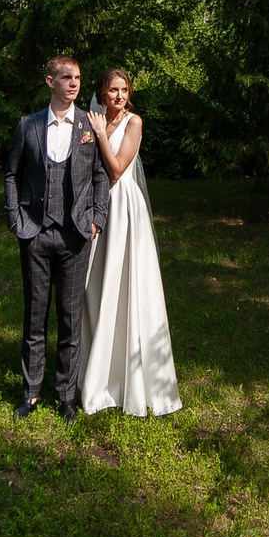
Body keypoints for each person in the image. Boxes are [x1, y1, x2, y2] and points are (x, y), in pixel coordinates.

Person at [4, 54, 110, 420]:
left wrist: (97, 218)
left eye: (78, 77)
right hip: (34, 233)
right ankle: (30, 393)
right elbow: (11, 175)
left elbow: (101, 175)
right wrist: (15, 219)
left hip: (76, 235)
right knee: (34, 318)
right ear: (50, 81)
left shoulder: (89, 125)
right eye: (66, 77)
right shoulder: (28, 125)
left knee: (69, 319)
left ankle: (65, 396)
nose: (74, 83)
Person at [80, 68, 183, 416]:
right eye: (113, 90)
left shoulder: (133, 123)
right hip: (98, 207)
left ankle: (131, 380)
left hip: (123, 207)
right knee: (96, 285)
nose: (119, 96)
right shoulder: (95, 122)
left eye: (124, 90)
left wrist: (98, 135)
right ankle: (96, 371)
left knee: (126, 285)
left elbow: (117, 169)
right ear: (102, 93)